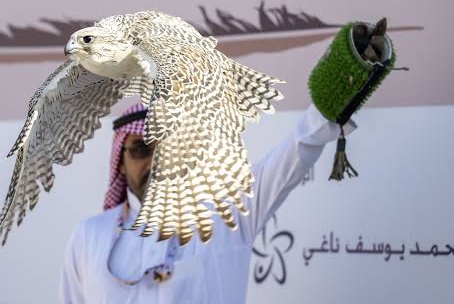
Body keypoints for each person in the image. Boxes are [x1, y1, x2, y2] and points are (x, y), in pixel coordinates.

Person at [58, 102, 356, 304]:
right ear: (120, 164)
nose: (155, 163)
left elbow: (295, 153)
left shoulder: (227, 214)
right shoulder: (89, 237)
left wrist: (333, 96)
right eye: (140, 150)